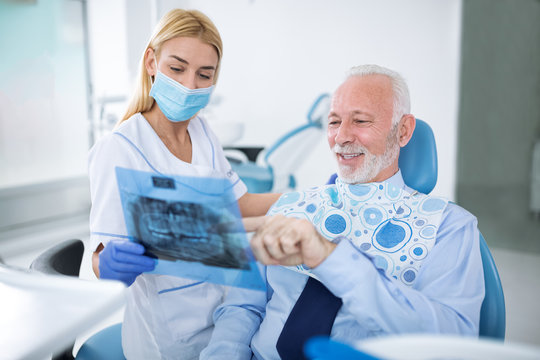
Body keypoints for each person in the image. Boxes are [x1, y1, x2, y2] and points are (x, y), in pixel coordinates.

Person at [201, 64, 485, 360]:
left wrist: (331, 260)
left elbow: (454, 340)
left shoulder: (447, 227)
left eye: (360, 121)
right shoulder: (292, 207)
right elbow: (242, 307)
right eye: (334, 122)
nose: (342, 137)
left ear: (403, 130)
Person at [87, 9, 280, 359]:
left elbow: (236, 203)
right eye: (177, 69)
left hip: (226, 316)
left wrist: (306, 197)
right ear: (151, 62)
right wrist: (108, 263)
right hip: (166, 337)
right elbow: (102, 256)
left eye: (204, 74)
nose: (189, 85)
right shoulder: (119, 148)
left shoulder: (203, 133)